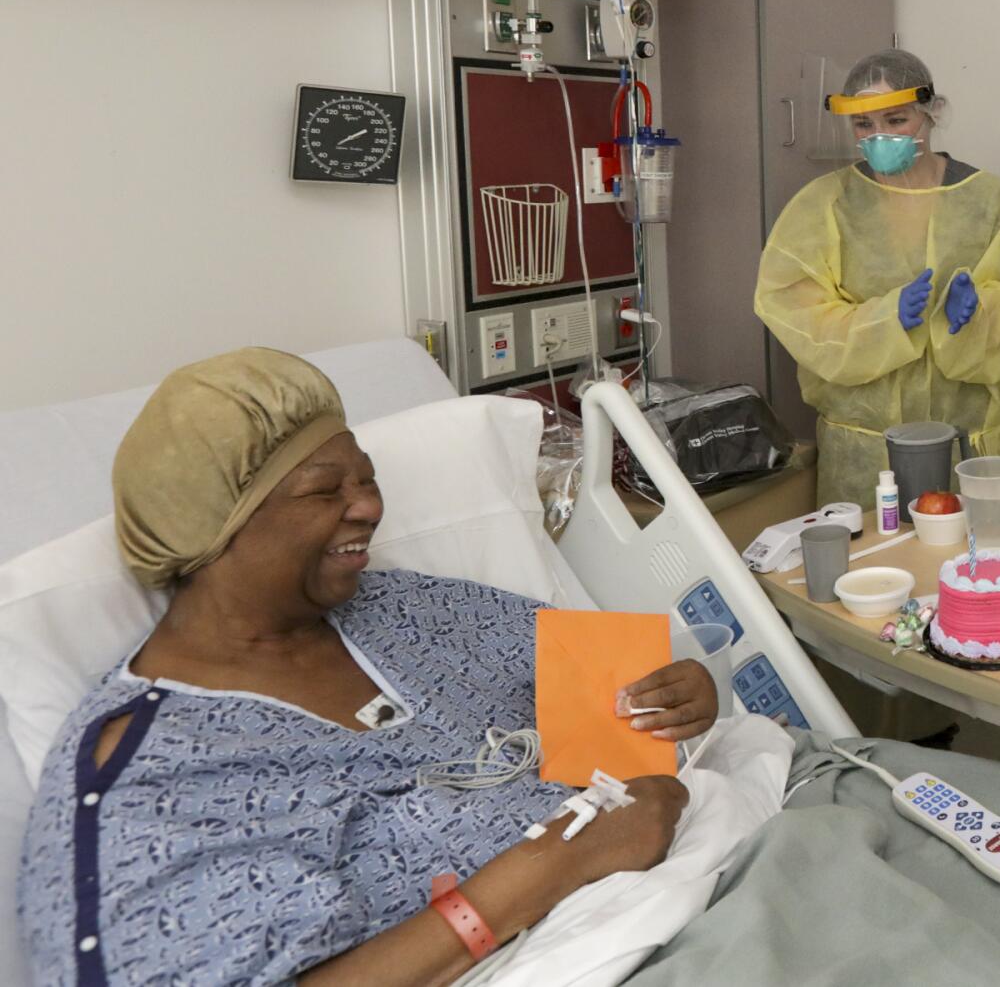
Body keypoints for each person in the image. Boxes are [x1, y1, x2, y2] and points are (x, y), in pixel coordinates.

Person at [17, 349, 720, 986]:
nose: (371, 506)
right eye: (328, 490)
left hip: (700, 874)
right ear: (217, 523)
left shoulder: (406, 608)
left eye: (368, 480)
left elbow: (612, 680)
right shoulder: (145, 774)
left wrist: (685, 695)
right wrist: (552, 864)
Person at [756, 49, 1000, 509]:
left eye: (895, 120)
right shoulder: (825, 205)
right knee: (876, 575)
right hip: (866, 457)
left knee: (983, 575)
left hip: (970, 452)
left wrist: (976, 317)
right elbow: (795, 315)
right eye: (864, 126)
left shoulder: (988, 199)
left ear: (930, 113)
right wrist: (884, 319)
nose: (880, 138)